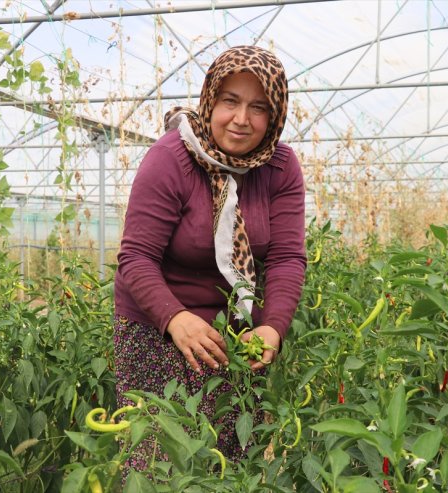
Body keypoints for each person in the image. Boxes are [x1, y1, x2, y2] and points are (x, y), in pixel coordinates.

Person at [112, 45, 306, 469]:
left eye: (259, 107)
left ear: (274, 117)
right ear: (210, 100)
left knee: (228, 458)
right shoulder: (171, 158)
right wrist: (175, 319)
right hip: (156, 328)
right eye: (230, 101)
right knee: (160, 460)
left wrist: (272, 327)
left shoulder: (280, 167)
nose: (242, 119)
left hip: (233, 339)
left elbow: (289, 258)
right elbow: (136, 258)